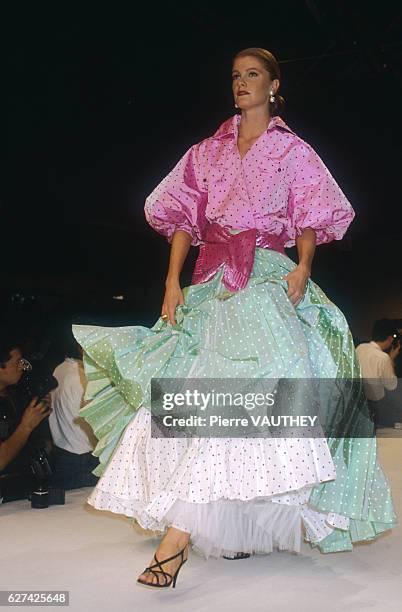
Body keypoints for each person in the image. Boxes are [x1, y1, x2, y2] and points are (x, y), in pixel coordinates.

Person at [73, 48, 397, 588]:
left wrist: (304, 266)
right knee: (199, 398)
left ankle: (184, 537)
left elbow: (309, 214)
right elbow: (183, 220)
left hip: (268, 276)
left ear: (274, 86)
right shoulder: (205, 152)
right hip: (209, 282)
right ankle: (193, 527)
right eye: (235, 77)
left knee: (268, 389)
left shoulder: (292, 150)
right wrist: (172, 280)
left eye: (252, 76)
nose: (241, 84)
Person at [0, 333, 52, 500]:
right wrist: (26, 425)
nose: (22, 367)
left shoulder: (14, 393)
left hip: (25, 487)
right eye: (16, 363)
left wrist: (39, 415)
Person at [49, 334, 98, 490]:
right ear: (81, 347)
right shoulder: (84, 378)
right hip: (83, 458)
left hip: (62, 454)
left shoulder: (59, 369)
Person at [356, 319, 400, 427]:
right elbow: (391, 385)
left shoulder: (359, 348)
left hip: (357, 400)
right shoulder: (383, 358)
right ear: (390, 339)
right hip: (375, 405)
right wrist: (391, 359)